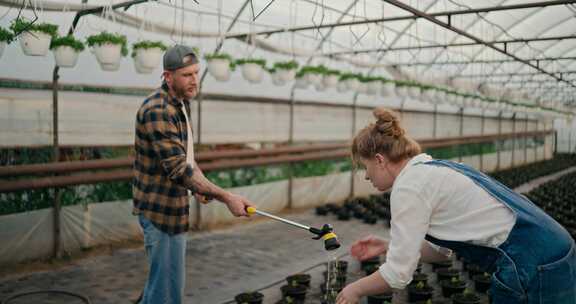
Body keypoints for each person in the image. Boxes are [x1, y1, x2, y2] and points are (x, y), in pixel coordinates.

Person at [336, 107, 576, 304]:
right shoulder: (432, 170)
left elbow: (397, 276)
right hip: (552, 248)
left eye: (365, 167)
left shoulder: (408, 187)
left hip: (532, 263)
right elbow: (440, 252)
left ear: (379, 160)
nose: (367, 177)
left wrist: (354, 290)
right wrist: (388, 246)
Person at [132, 45, 254, 304]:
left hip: (175, 211)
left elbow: (187, 160)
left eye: (196, 73)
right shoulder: (158, 109)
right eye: (187, 75)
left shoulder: (180, 105)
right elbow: (179, 169)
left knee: (173, 290)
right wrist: (226, 197)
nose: (194, 80)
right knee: (160, 292)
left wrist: (198, 186)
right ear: (168, 77)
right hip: (159, 212)